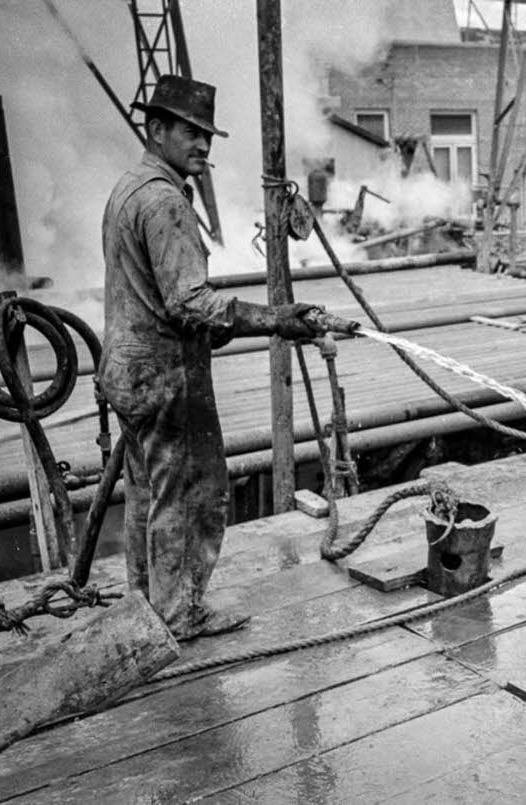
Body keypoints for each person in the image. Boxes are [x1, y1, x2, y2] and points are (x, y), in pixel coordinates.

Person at [99, 75, 326, 640]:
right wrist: (275, 318)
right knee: (192, 492)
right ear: (156, 130)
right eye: (190, 132)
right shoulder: (164, 200)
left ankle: (146, 608)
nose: (202, 145)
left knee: (149, 491)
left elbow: (157, 295)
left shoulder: (130, 187)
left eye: (208, 135)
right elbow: (188, 301)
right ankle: (179, 614)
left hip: (128, 370)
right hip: (165, 375)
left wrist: (225, 323)